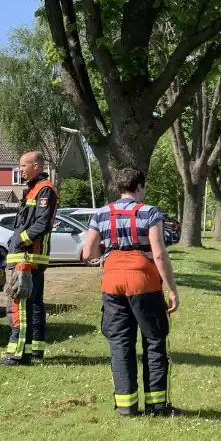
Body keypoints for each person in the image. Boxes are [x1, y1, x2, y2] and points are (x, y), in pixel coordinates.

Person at [81, 166, 182, 417]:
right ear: (139, 187)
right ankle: (157, 405)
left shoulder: (101, 214)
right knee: (154, 341)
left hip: (112, 282)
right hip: (144, 283)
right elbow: (158, 254)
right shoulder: (150, 213)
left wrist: (110, 247)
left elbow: (88, 253)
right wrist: (172, 289)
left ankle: (126, 406)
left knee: (120, 343)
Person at [0, 152, 57, 366]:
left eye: (23, 165)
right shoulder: (33, 189)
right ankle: (34, 350)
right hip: (27, 258)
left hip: (28, 258)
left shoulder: (44, 190)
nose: (20, 169)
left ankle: (17, 354)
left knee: (19, 307)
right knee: (33, 306)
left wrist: (19, 241)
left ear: (37, 166)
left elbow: (41, 224)